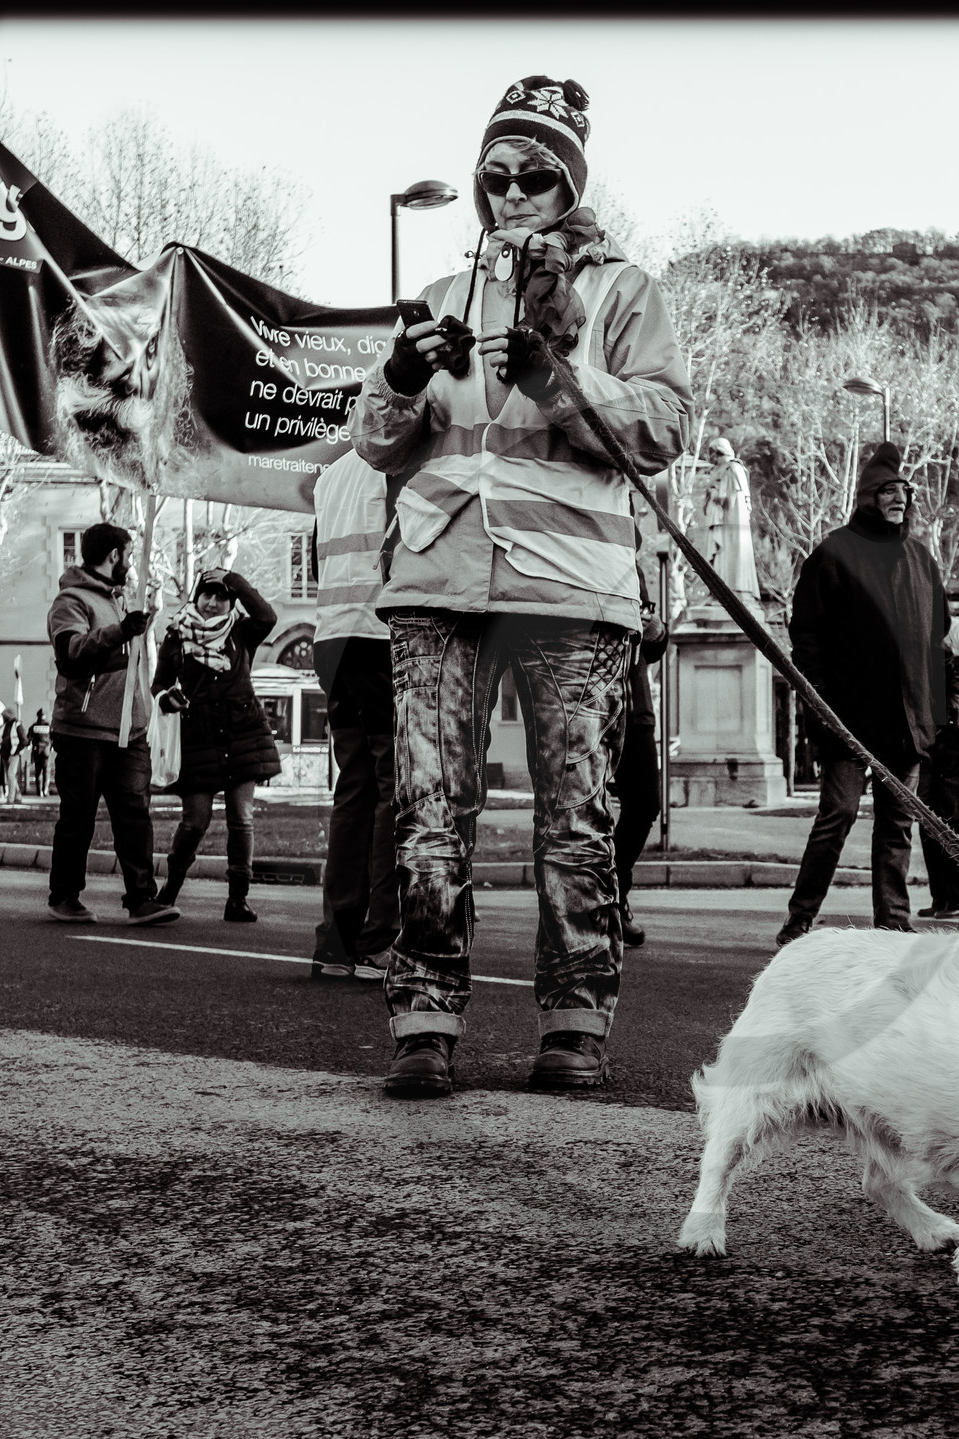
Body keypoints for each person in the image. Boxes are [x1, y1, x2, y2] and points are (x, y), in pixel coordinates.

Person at [350, 74, 691, 1099]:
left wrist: (556, 375)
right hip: (439, 577)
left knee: (577, 814)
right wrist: (402, 378)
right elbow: (374, 443)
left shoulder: (625, 292)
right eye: (493, 175)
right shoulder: (444, 296)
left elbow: (667, 428)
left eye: (534, 174)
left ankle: (575, 1025)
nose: (509, 192)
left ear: (569, 184)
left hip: (571, 590)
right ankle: (422, 1020)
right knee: (426, 805)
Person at [780, 441, 950, 945]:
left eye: (903, 491)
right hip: (848, 721)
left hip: (907, 721)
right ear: (867, 497)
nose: (897, 498)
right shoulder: (834, 553)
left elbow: (937, 637)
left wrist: (940, 709)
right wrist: (821, 706)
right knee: (838, 817)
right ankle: (800, 917)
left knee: (897, 827)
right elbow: (805, 638)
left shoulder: (922, 559)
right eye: (886, 491)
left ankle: (893, 925)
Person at [45, 520, 176, 925]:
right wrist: (120, 631)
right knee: (78, 818)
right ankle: (64, 896)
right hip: (82, 731)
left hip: (129, 731)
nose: (132, 562)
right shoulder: (71, 601)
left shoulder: (122, 600)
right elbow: (71, 652)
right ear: (114, 556)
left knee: (135, 815)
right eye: (129, 554)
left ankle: (141, 899)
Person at [309, 448, 400, 982]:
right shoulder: (396, 460)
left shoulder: (333, 475)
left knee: (356, 789)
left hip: (334, 638)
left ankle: (337, 942)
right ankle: (377, 939)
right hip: (378, 635)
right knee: (394, 788)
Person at [151, 567, 282, 921]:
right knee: (195, 821)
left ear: (231, 602)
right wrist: (166, 698)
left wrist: (235, 579)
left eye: (220, 596)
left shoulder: (241, 632)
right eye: (206, 595)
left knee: (242, 819)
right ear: (196, 597)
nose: (211, 603)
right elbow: (159, 683)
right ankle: (168, 893)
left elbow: (268, 615)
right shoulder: (177, 636)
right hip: (198, 741)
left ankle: (237, 900)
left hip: (242, 737)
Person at [612, 548, 669, 947]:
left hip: (636, 710)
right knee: (584, 813)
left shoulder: (632, 565)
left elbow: (652, 648)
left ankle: (614, 894)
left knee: (646, 803)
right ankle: (596, 904)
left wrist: (657, 630)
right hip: (587, 707)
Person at [917, 617, 959, 920]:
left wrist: (945, 752)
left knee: (952, 836)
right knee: (936, 834)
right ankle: (945, 898)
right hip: (951, 770)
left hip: (956, 772)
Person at [701, 437, 760, 604]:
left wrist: (714, 495)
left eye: (713, 453)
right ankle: (720, 589)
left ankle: (735, 588)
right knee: (722, 553)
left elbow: (732, 500)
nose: (711, 457)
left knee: (733, 551)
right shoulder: (720, 469)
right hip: (723, 521)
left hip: (733, 521)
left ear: (719, 452)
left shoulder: (733, 468)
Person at [0, 709, 25, 802]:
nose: (3, 717)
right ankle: (18, 797)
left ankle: (10, 798)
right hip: (5, 754)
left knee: (10, 775)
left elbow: (24, 740)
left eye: (4, 716)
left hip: (13, 754)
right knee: (11, 776)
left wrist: (16, 751)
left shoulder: (17, 725)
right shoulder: (5, 726)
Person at [27, 708, 52, 797]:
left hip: (37, 749)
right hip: (46, 750)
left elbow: (29, 738)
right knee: (46, 771)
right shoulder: (48, 726)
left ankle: (39, 791)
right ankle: (45, 790)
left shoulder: (34, 726)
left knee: (38, 771)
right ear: (44, 716)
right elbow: (53, 737)